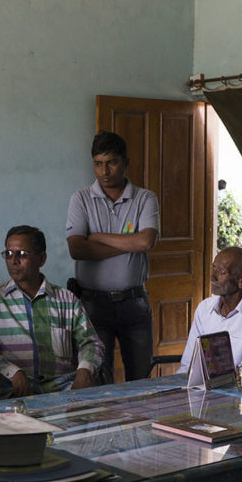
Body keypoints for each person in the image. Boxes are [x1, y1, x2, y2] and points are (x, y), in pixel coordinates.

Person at [67, 131, 160, 383]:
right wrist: (130, 244)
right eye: (98, 164)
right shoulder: (81, 199)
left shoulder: (145, 198)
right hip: (93, 305)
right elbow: (77, 249)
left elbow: (145, 241)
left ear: (125, 162)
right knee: (98, 379)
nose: (104, 171)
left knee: (140, 380)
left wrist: (97, 236)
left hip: (134, 302)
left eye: (112, 162)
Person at [0, 225, 102, 397]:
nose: (14, 260)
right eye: (8, 254)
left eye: (22, 254)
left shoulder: (66, 300)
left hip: (64, 391)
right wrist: (13, 372)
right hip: (14, 392)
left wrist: (85, 370)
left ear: (42, 259)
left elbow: (91, 342)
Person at [178, 246, 242, 373]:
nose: (212, 277)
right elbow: (188, 364)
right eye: (213, 268)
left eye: (222, 272)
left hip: (232, 390)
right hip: (198, 386)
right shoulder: (204, 308)